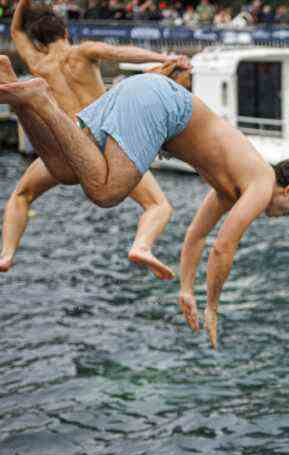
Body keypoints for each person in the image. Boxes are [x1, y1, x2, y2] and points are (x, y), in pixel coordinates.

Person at [0, 54, 289, 349]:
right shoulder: (261, 182)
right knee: (106, 191)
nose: (281, 217)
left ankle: (23, 100)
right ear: (288, 192)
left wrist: (187, 290)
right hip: (162, 104)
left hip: (144, 92)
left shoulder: (231, 185)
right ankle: (43, 100)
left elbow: (197, 236)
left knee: (65, 169)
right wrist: (212, 307)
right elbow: (223, 247)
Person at [1, 0, 185, 278]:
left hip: (68, 139)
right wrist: (162, 59)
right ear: (65, 33)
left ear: (38, 41)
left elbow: (16, 31)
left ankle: (6, 254)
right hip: (104, 135)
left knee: (22, 195)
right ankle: (142, 246)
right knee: (158, 204)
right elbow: (120, 51)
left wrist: (24, 3)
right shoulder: (82, 51)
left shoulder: (38, 61)